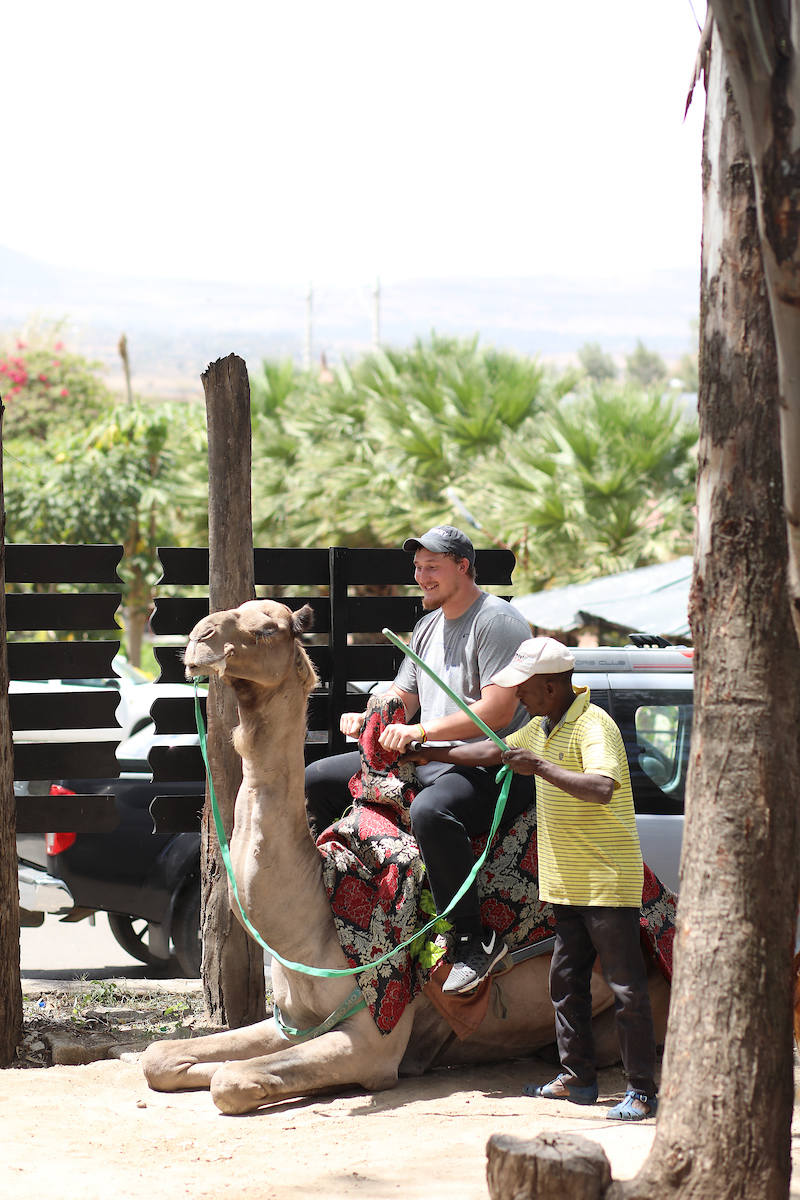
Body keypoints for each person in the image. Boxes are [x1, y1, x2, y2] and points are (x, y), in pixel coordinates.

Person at [409, 635, 658, 1122]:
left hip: (605, 882)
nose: (517, 696)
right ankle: (578, 1078)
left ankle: (642, 1091)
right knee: (565, 984)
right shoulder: (544, 725)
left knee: (626, 989)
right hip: (565, 884)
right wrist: (431, 752)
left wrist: (541, 767)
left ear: (552, 684)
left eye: (524, 687)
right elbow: (492, 750)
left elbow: (603, 788)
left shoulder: (594, 726)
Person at [305, 525, 534, 995]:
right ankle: (322, 896)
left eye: (432, 566)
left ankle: (475, 940)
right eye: (417, 567)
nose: (420, 576)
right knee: (317, 779)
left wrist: (420, 731)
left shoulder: (498, 621)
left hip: (492, 766)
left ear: (463, 566)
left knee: (433, 810)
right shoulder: (427, 625)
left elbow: (498, 711)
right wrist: (368, 715)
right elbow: (401, 696)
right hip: (429, 759)